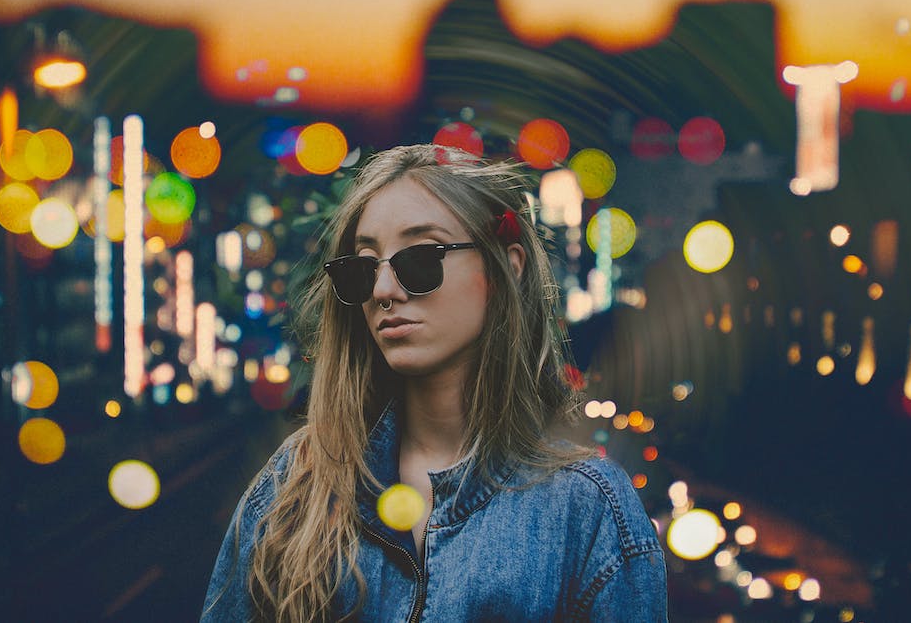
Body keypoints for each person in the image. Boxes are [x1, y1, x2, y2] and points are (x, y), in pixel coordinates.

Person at [202, 144, 667, 622]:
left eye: (421, 258)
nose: (384, 290)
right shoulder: (294, 485)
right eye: (365, 267)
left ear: (507, 265)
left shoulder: (585, 509)